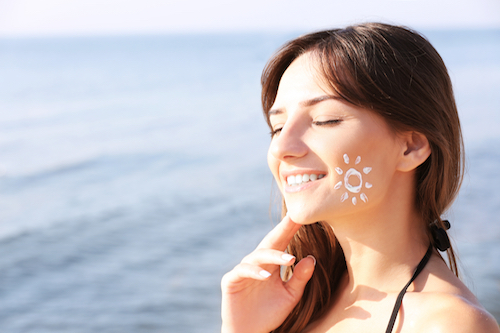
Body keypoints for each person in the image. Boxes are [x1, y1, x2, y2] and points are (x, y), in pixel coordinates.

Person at [221, 23, 500, 333]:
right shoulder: (303, 298)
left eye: (325, 120)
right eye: (277, 127)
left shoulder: (446, 325)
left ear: (411, 147)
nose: (282, 147)